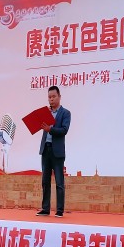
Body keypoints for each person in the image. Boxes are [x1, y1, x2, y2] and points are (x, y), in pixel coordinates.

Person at [36, 85, 71, 218]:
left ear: (59, 97)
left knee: (59, 182)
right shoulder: (45, 113)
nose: (51, 99)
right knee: (45, 181)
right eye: (49, 97)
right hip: (45, 149)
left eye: (53, 96)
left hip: (57, 151)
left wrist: (50, 129)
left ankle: (59, 210)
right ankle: (45, 209)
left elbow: (64, 130)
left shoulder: (65, 113)